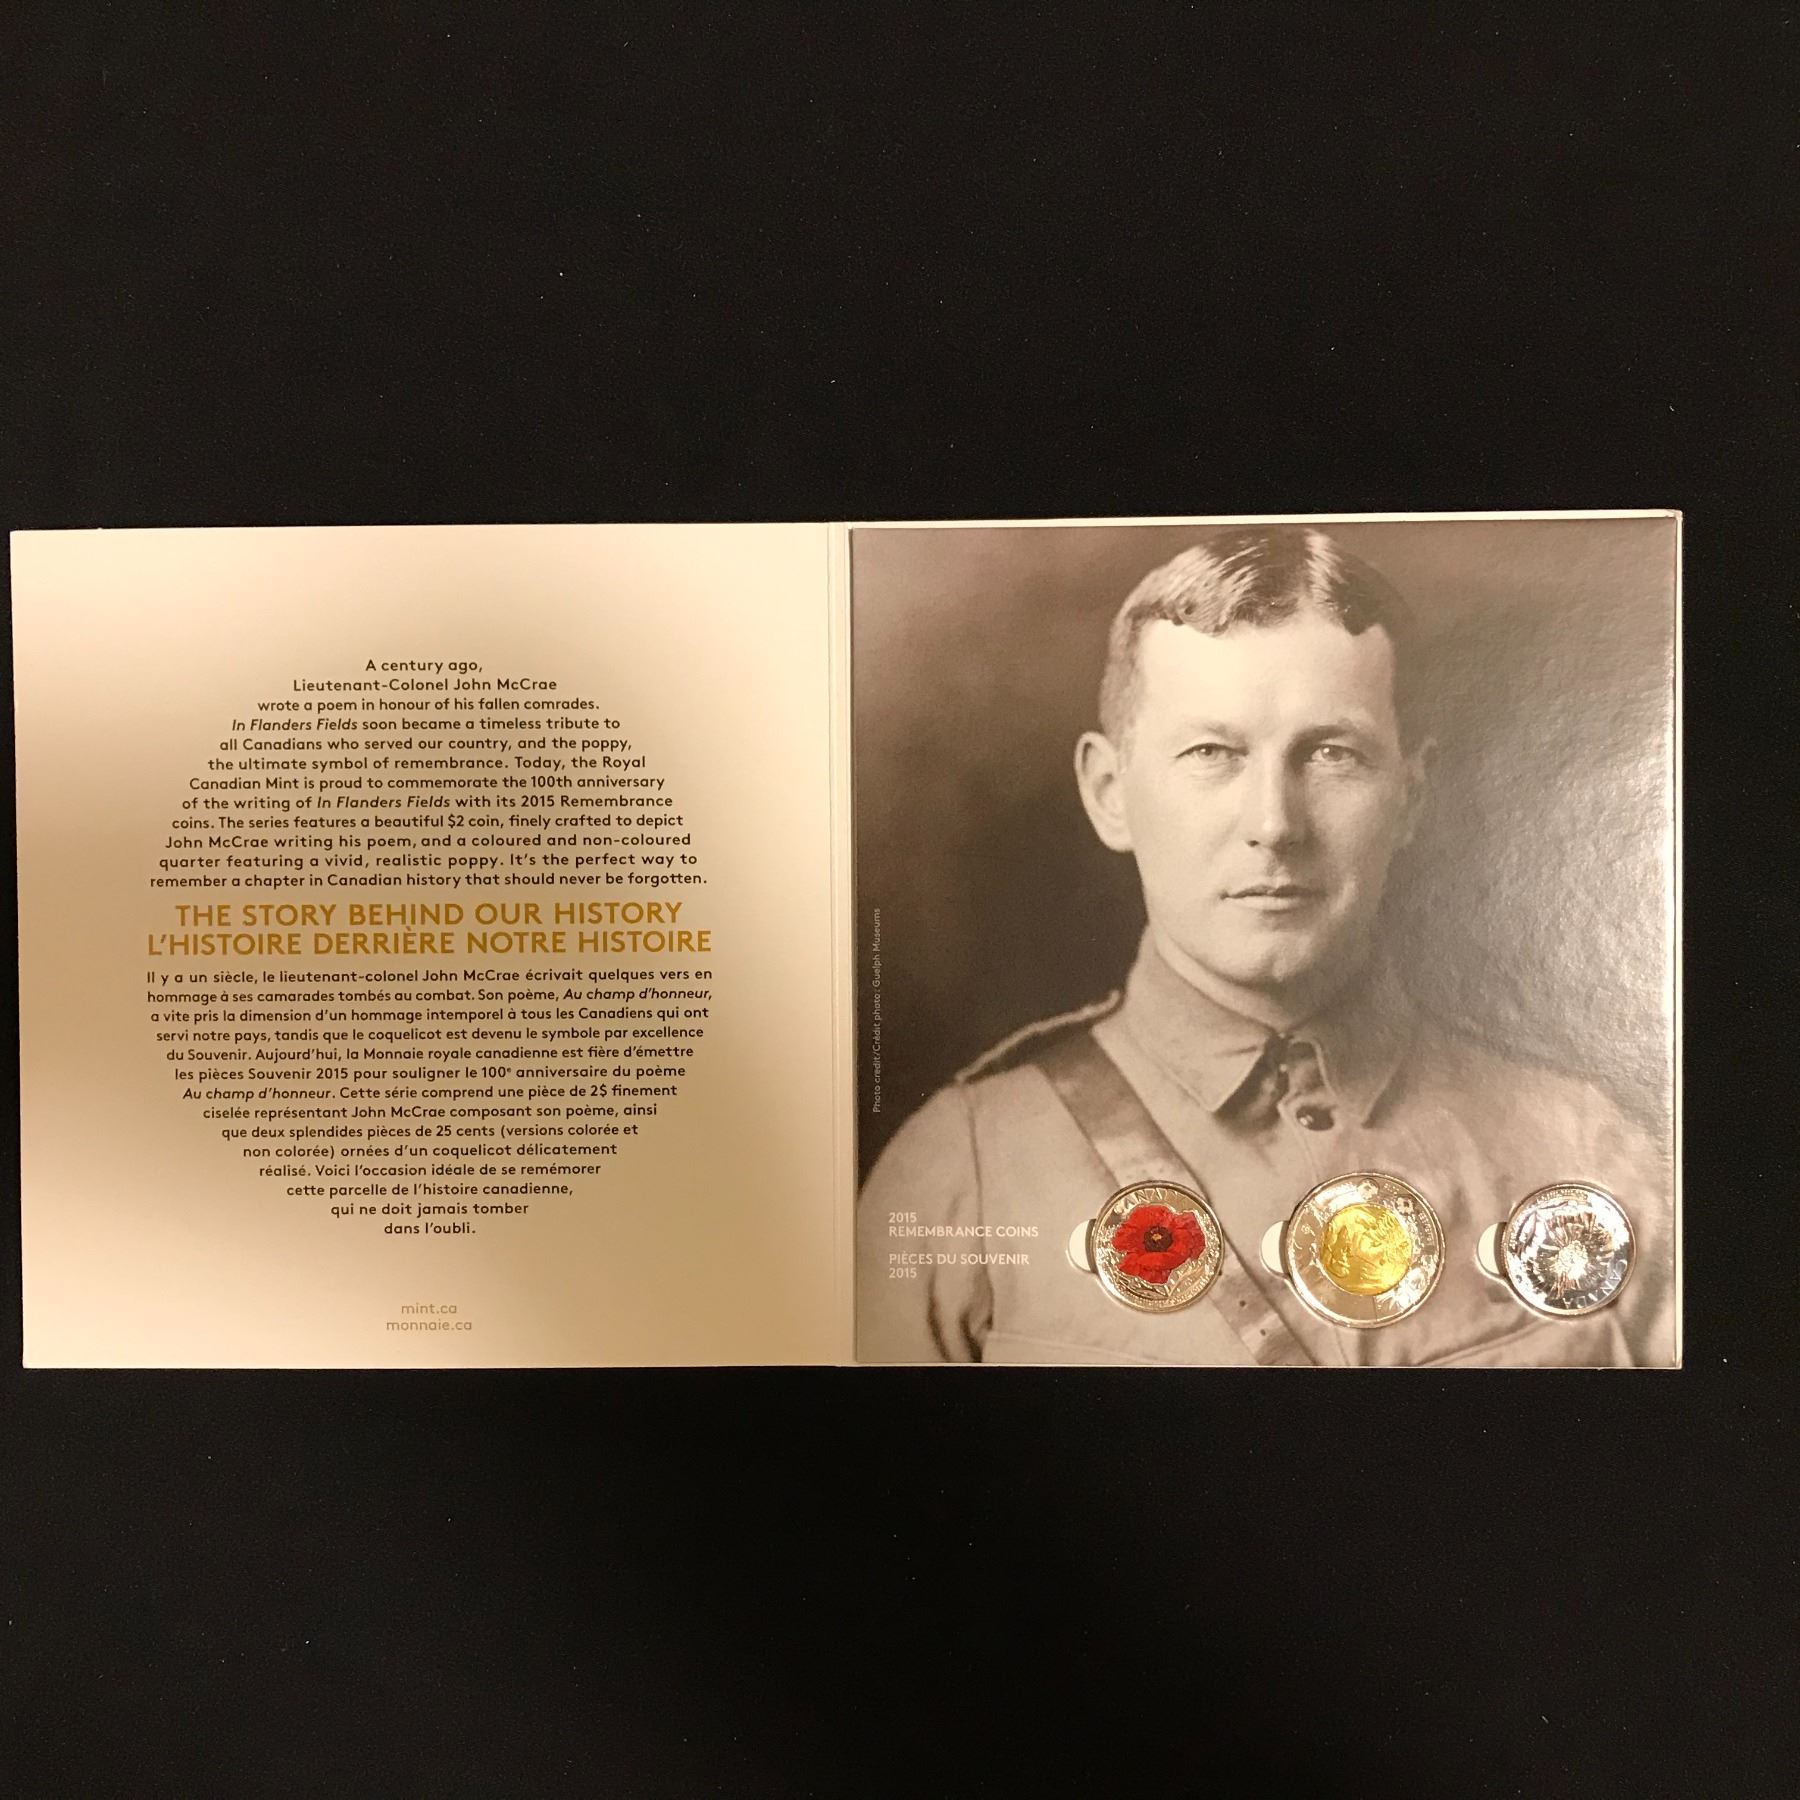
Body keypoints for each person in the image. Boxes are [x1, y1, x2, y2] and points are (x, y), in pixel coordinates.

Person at [856, 528, 1675, 1367]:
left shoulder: (1585, 1149)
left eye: (1332, 754)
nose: (1275, 825)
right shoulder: (965, 1167)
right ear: (1109, 793)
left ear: (1411, 797)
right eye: (1211, 753)